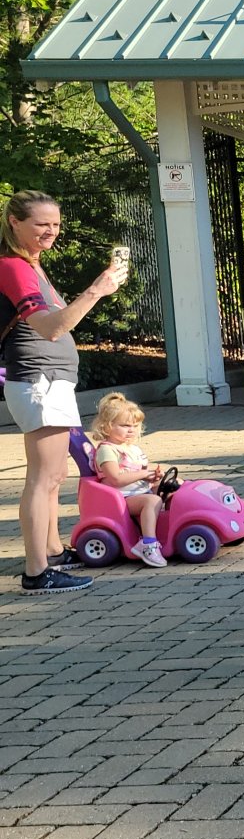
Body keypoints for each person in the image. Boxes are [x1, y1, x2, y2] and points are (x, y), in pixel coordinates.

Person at [3, 190, 128, 594]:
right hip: (39, 382)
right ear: (14, 223)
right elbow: (51, 328)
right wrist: (96, 290)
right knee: (41, 479)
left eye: (56, 224)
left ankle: (53, 552)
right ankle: (37, 572)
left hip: (51, 381)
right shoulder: (14, 267)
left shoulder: (32, 265)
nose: (51, 231)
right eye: (41, 224)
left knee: (55, 475)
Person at [88, 393, 167, 568]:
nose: (131, 430)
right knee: (152, 501)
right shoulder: (108, 450)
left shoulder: (131, 448)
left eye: (135, 425)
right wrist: (144, 474)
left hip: (136, 491)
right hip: (120, 498)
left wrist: (153, 476)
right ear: (107, 426)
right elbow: (115, 478)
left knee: (174, 487)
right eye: (125, 425)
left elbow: (137, 471)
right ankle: (148, 544)